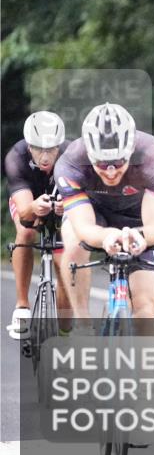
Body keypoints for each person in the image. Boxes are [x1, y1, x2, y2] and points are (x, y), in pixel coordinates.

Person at [55, 103, 154, 333]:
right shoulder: (71, 162)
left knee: (145, 310)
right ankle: (83, 325)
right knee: (73, 242)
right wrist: (107, 236)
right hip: (94, 211)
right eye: (101, 163)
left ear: (131, 151)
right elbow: (84, 227)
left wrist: (138, 236)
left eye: (118, 163)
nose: (110, 172)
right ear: (89, 155)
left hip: (138, 218)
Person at [4, 111, 71, 338]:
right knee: (26, 232)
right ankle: (22, 307)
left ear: (59, 145)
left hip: (62, 202)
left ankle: (65, 330)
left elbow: (83, 201)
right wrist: (34, 207)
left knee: (65, 262)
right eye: (38, 149)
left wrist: (68, 205)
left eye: (51, 149)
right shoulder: (16, 157)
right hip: (29, 199)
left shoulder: (71, 154)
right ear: (28, 145)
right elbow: (24, 213)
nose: (45, 156)